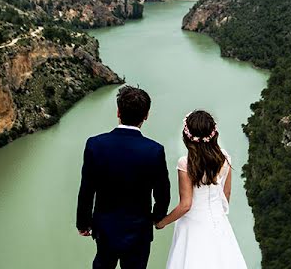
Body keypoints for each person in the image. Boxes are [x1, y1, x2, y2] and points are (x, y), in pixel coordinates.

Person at [77, 86, 171, 269]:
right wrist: (157, 218)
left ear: (118, 112)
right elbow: (162, 193)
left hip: (105, 229)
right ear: (146, 115)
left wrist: (83, 222)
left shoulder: (95, 145)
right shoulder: (154, 151)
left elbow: (87, 189)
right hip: (139, 231)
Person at [156, 110, 248, 269]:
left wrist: (162, 222)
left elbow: (186, 205)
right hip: (219, 222)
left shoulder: (186, 163)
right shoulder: (224, 157)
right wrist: (219, 214)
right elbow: (226, 194)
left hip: (192, 226)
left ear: (187, 137)